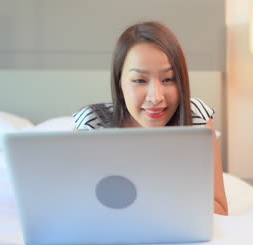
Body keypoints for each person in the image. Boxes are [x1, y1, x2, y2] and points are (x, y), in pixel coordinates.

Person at [73, 21, 228, 215]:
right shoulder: (93, 124)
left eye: (168, 79)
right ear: (119, 82)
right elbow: (74, 205)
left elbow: (220, 209)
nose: (156, 97)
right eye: (139, 80)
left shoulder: (196, 118)